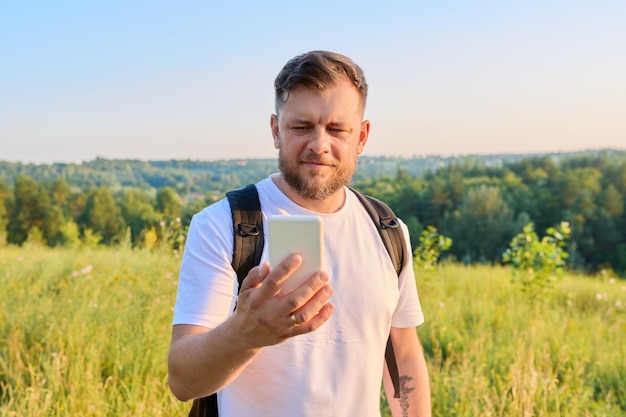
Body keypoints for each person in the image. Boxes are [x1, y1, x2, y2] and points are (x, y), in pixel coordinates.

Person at [168, 50, 431, 417]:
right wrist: (245, 334)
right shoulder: (222, 225)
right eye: (301, 127)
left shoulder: (388, 230)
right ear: (276, 130)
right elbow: (183, 380)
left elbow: (401, 352)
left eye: (337, 129)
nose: (319, 145)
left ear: (362, 136)